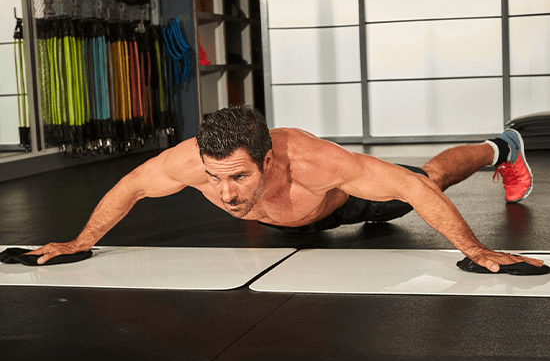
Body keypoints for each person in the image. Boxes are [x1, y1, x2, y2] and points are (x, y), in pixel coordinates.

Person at [30, 106, 543, 273]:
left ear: (269, 160)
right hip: (287, 220)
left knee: (431, 175)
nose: (226, 194)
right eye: (215, 178)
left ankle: (503, 147)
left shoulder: (315, 161)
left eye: (239, 177)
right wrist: (79, 242)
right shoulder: (188, 162)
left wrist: (474, 250)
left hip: (344, 204)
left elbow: (412, 189)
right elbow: (130, 188)